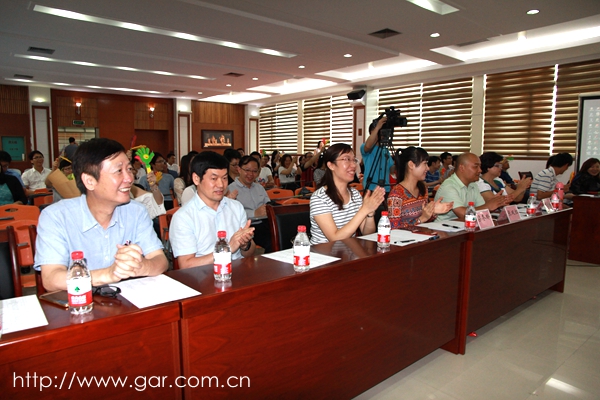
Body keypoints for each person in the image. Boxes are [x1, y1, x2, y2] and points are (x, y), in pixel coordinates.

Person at [35, 138, 168, 291]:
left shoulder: (136, 211)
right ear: (89, 181)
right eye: (119, 171)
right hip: (78, 301)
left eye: (129, 169)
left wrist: (140, 266)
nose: (129, 178)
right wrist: (108, 274)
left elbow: (160, 260)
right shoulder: (56, 217)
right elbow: (51, 278)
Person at [169, 151, 256, 269]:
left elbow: (250, 253)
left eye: (224, 178)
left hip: (238, 272)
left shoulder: (236, 207)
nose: (221, 185)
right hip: (203, 276)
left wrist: (245, 245)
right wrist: (228, 249)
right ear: (196, 179)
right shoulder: (184, 217)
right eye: (214, 178)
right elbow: (186, 265)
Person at [310, 143, 385, 245]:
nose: (353, 165)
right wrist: (364, 210)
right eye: (346, 159)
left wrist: (370, 213)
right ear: (331, 165)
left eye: (354, 160)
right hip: (322, 253)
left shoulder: (355, 194)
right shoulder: (319, 198)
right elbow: (334, 238)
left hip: (347, 251)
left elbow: (367, 233)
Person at [388, 147, 453, 229]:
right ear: (411, 165)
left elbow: (426, 221)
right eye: (425, 164)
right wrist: (421, 219)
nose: (427, 168)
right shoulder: (396, 194)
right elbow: (394, 228)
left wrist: (433, 211)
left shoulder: (422, 189)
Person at [434, 153, 507, 222]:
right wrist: (488, 206)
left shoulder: (473, 184)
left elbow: (481, 207)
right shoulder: (449, 186)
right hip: (443, 228)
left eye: (480, 166)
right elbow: (462, 214)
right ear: (462, 168)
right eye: (475, 167)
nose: (480, 170)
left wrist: (493, 202)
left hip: (464, 225)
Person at [227, 155, 272, 252]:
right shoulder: (230, 189)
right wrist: (254, 213)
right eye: (247, 170)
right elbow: (231, 214)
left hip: (265, 223)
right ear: (239, 169)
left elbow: (268, 204)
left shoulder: (259, 188)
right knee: (271, 242)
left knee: (284, 236)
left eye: (254, 171)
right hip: (245, 228)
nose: (251, 174)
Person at [361, 116, 394, 193]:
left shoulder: (385, 149)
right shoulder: (365, 147)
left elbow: (391, 169)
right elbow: (368, 146)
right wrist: (378, 127)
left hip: (385, 188)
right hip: (371, 188)